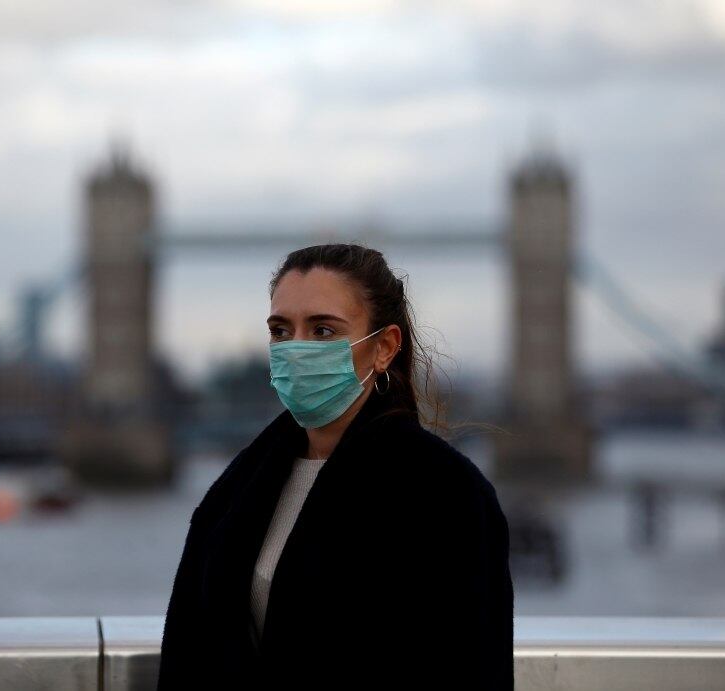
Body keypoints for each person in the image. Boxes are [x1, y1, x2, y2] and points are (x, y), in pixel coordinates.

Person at [157, 243, 514, 690]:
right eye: (281, 331)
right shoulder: (235, 491)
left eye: (323, 331)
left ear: (384, 347)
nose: (296, 349)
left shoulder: (447, 495)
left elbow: (473, 669)